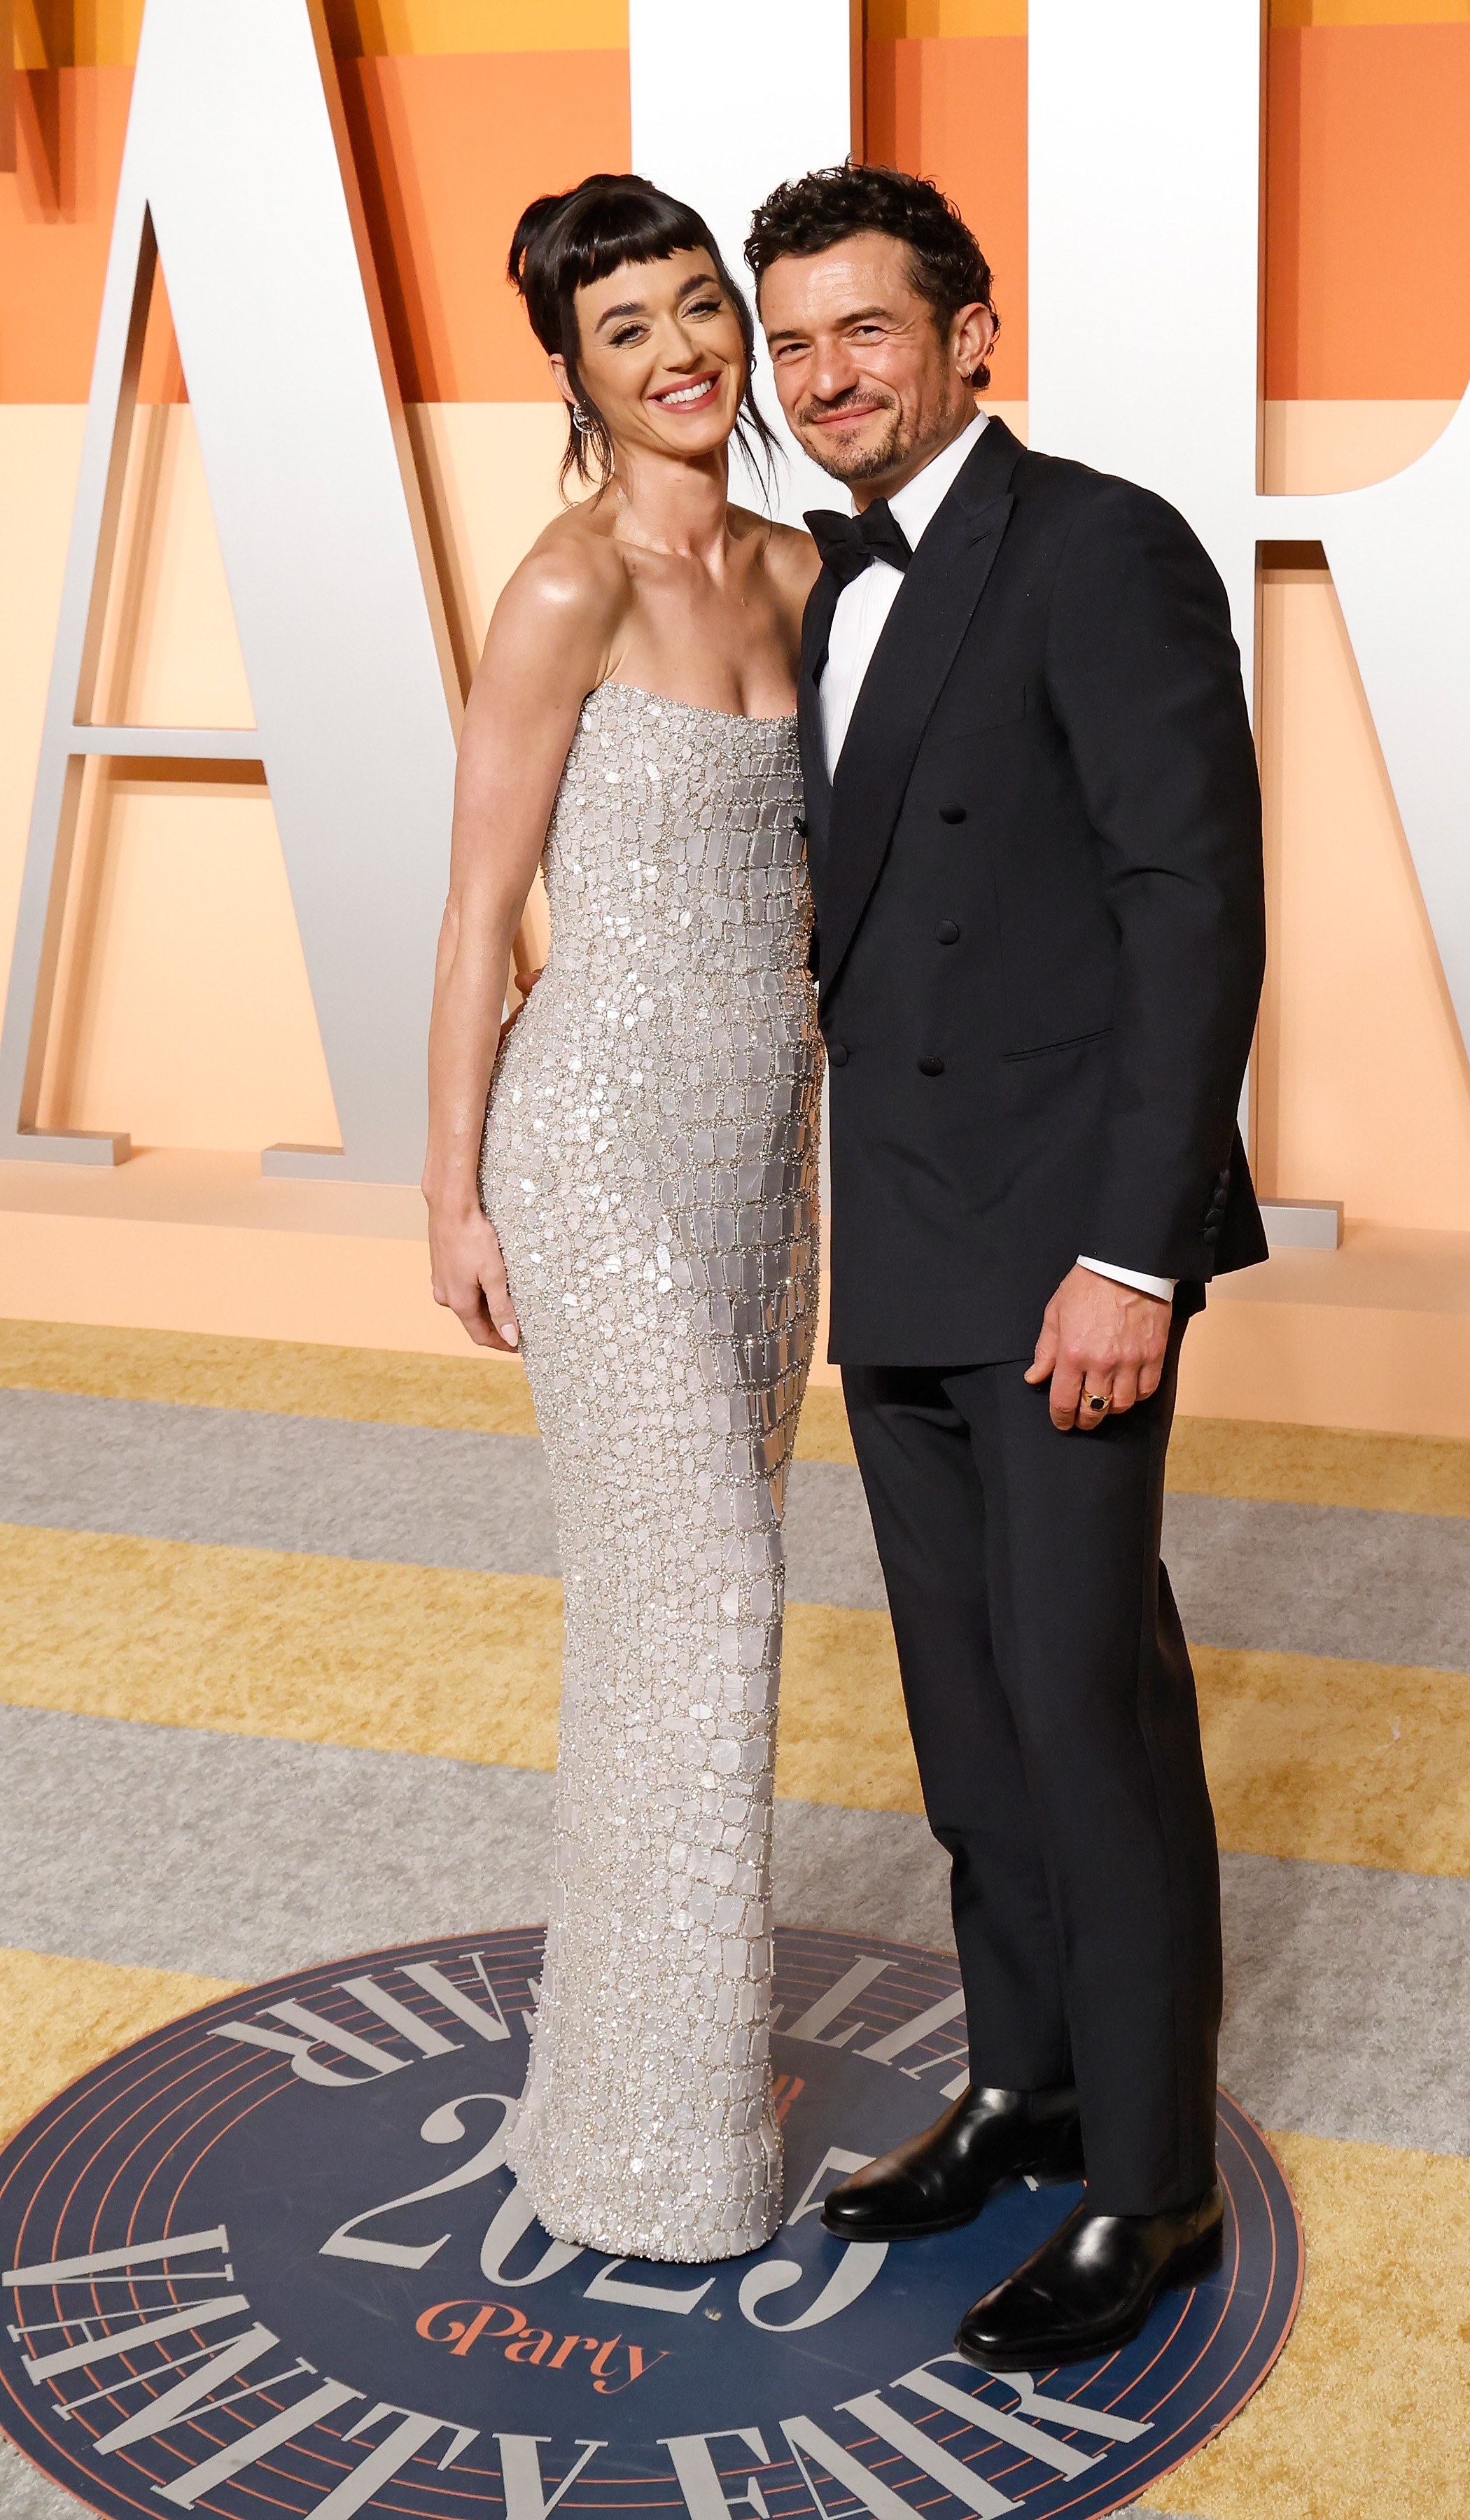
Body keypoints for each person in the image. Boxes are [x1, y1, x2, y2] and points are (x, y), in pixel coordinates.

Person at [747, 163, 1268, 2370]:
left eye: (864, 329)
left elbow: (1195, 903)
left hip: (1067, 1249)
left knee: (1087, 1714)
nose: (822, 376)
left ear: (972, 336)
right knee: (970, 1726)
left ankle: (1150, 2191)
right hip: (912, 1241)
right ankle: (1024, 2086)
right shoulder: (812, 594)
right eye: (791, 342)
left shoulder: (1102, 545)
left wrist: (1128, 1261)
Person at [424, 174, 822, 2263]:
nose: (682, 355)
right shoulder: (564, 588)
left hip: (768, 1155)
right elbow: (483, 910)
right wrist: (452, 1193)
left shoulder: (801, 565)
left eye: (698, 311)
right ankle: (665, 2155)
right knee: (711, 1602)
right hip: (586, 1149)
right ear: (572, 375)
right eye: (627, 333)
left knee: (674, 1625)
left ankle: (617, 2095)